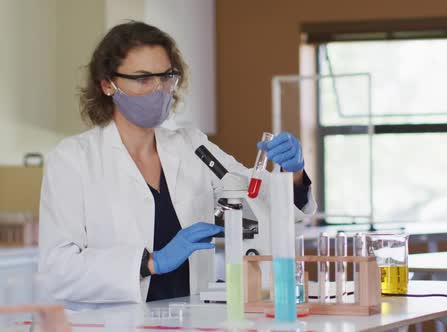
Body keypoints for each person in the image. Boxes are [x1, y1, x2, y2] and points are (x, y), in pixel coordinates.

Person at [38, 21, 316, 306]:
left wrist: (293, 173)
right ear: (108, 84)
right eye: (143, 78)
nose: (158, 89)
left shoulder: (192, 145)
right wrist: (149, 263)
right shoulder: (74, 159)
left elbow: (257, 196)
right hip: (116, 322)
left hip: (194, 319)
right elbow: (57, 270)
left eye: (166, 77)